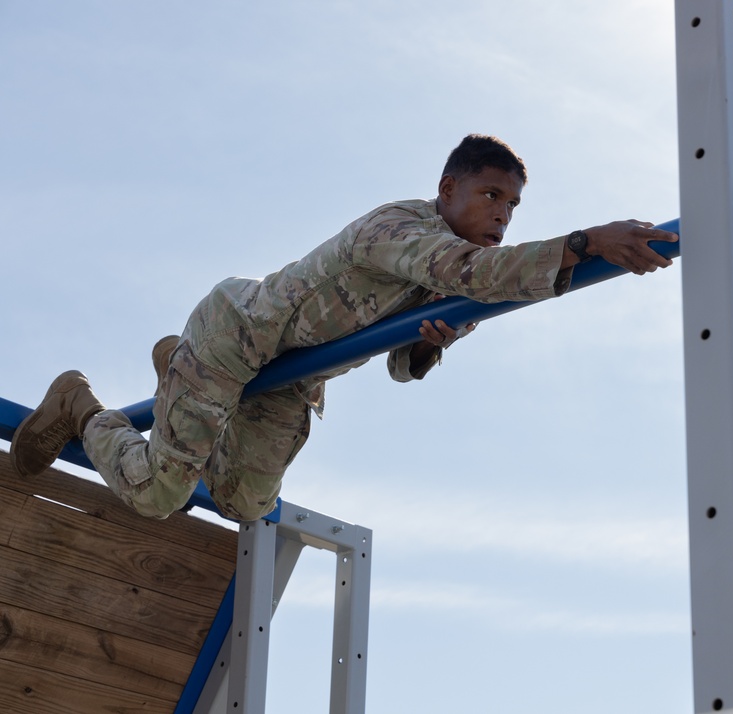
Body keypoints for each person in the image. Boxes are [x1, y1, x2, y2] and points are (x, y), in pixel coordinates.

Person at [11, 134, 677, 521]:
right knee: (162, 492)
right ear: (447, 189)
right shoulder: (399, 231)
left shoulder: (450, 272)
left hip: (287, 379)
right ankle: (84, 405)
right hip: (239, 335)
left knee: (246, 504)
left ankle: (179, 385)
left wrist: (424, 344)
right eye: (490, 195)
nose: (502, 212)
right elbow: (477, 274)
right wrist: (585, 243)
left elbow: (401, 361)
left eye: (512, 204)